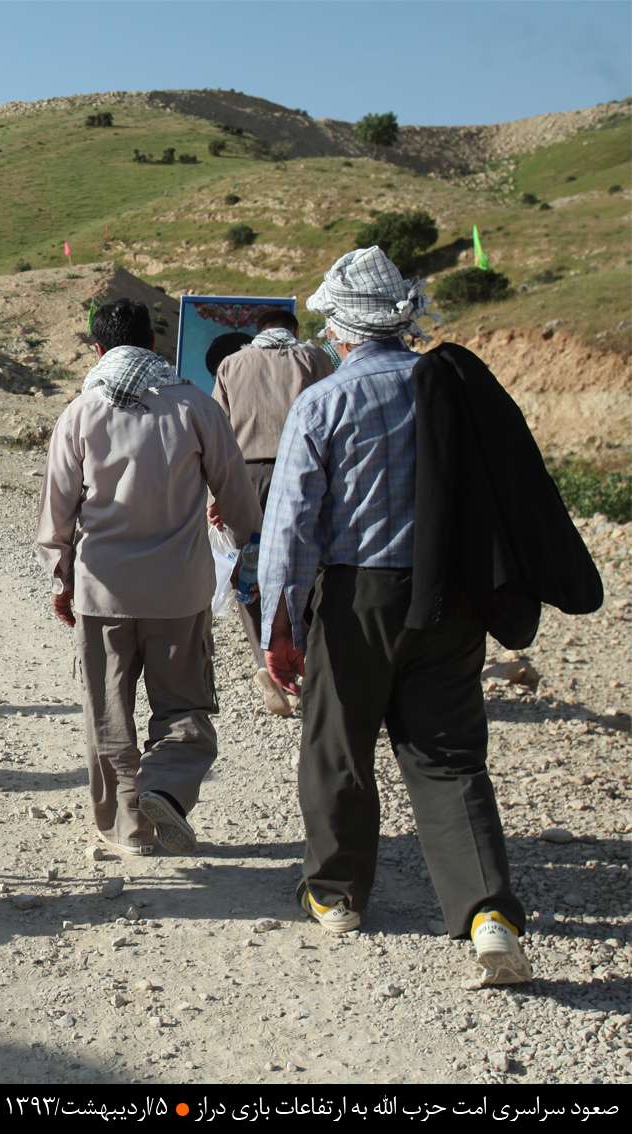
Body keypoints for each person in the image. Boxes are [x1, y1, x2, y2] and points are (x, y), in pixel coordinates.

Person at [259, 246, 534, 985]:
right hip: (450, 597)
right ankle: (488, 915)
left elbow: (290, 528)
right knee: (447, 758)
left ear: (340, 330)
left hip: (357, 599)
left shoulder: (323, 402)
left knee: (336, 745)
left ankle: (337, 895)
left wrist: (278, 627)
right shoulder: (446, 387)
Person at [36, 298, 260, 858]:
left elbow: (57, 514)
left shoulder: (80, 413)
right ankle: (166, 787)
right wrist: (240, 539)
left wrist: (62, 581)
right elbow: (237, 495)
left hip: (102, 590)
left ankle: (125, 830)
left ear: (97, 349)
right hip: (180, 592)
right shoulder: (194, 408)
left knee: (108, 711)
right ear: (154, 344)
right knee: (184, 703)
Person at [210, 308, 333, 715]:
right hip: (303, 470)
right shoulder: (313, 358)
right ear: (293, 330)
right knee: (311, 566)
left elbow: (219, 432)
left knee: (249, 570)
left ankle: (264, 659)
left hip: (244, 477)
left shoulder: (232, 364)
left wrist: (216, 495)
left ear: (257, 331)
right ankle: (307, 659)